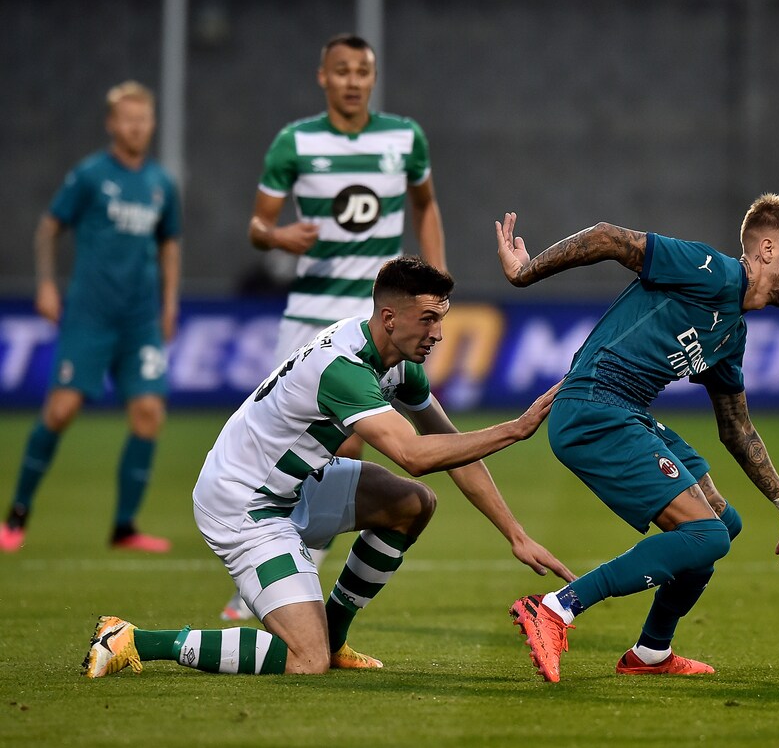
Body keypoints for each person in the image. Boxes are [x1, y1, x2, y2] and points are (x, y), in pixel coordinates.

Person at [82, 257, 573, 677]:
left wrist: (516, 535)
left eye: (441, 318)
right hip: (244, 506)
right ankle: (134, 640)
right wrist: (516, 429)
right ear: (389, 317)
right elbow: (415, 456)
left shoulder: (398, 359)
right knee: (304, 659)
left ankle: (334, 638)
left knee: (412, 504)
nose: (439, 334)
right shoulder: (343, 368)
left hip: (294, 487)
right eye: (428, 319)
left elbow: (449, 446)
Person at [498, 192, 779, 682]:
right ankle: (554, 609)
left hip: (627, 412)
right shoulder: (711, 272)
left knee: (723, 524)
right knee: (705, 536)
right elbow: (607, 237)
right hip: (594, 409)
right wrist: (525, 274)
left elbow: (737, 429)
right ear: (766, 250)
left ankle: (651, 651)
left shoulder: (731, 332)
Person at [221, 32, 448, 620]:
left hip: (378, 316)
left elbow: (425, 204)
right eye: (341, 71)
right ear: (323, 77)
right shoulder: (295, 142)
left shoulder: (404, 138)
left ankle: (294, 565)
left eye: (362, 71)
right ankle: (266, 551)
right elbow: (257, 228)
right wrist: (279, 237)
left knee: (350, 441)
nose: (352, 81)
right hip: (310, 315)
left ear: (373, 77)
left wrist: (435, 279)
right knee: (289, 439)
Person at [0, 81, 182, 554]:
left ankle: (124, 528)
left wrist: (169, 303)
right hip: (90, 316)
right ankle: (17, 513)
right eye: (128, 119)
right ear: (111, 124)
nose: (137, 127)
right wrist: (45, 284)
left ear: (152, 123)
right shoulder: (89, 175)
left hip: (139, 319)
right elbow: (48, 227)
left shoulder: (162, 184)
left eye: (144, 118)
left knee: (149, 414)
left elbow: (169, 244)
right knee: (61, 410)